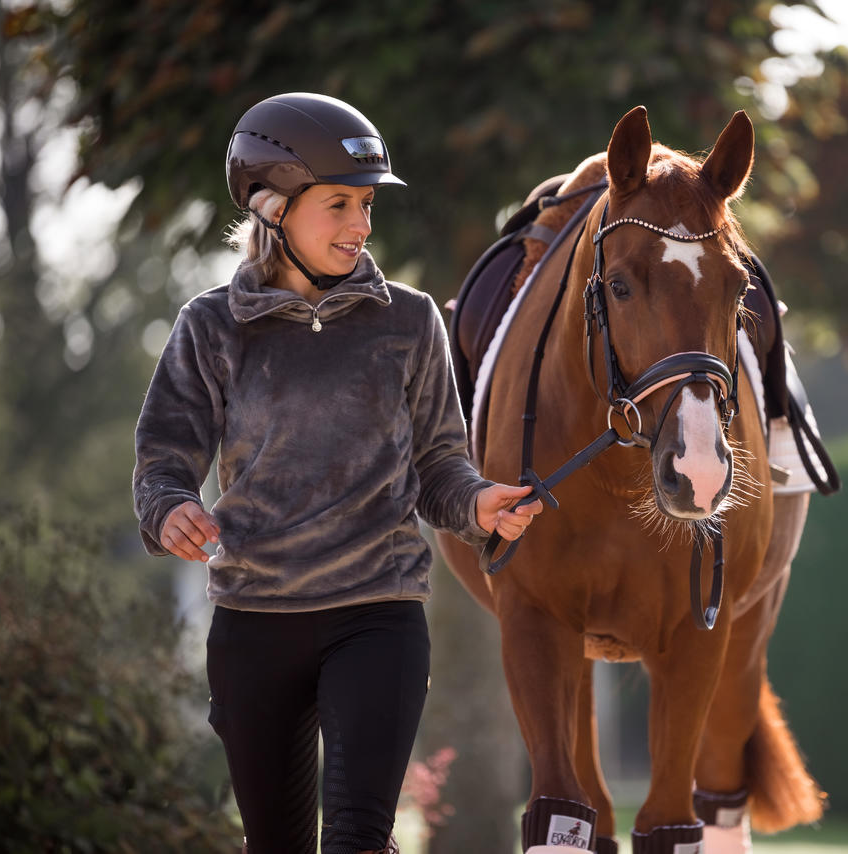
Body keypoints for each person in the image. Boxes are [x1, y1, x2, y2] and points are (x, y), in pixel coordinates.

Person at [132, 92, 542, 854]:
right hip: (254, 621)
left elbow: (438, 464)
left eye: (366, 206)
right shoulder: (211, 327)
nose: (360, 225)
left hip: (376, 613)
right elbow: (163, 458)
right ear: (271, 207)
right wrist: (168, 510)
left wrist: (480, 503)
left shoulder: (411, 321)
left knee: (358, 838)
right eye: (338, 204)